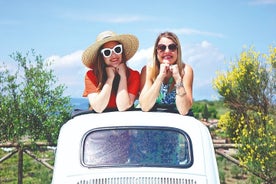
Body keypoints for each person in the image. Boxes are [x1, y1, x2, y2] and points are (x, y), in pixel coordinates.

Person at [82, 30, 140, 113]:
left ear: (122, 51)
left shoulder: (134, 75)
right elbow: (98, 108)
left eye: (117, 49)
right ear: (101, 57)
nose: (113, 55)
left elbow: (123, 106)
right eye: (107, 52)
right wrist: (110, 78)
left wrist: (123, 76)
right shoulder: (91, 76)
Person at [139, 31, 194, 116]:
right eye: (162, 47)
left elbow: (184, 110)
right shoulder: (148, 70)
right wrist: (160, 77)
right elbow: (145, 107)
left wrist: (178, 78)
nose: (167, 51)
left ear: (177, 50)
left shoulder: (186, 70)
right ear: (156, 51)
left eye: (172, 47)